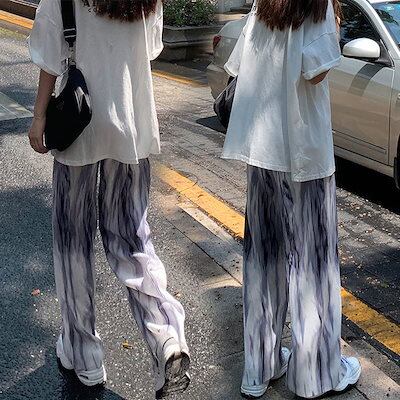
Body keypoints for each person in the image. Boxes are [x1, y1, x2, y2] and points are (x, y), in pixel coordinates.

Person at [28, 0, 190, 398]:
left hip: (79, 125)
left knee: (74, 243)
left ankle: (84, 355)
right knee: (132, 238)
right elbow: (150, 49)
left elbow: (50, 58)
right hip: (131, 127)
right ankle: (166, 334)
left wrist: (39, 117)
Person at [222, 0, 361, 398]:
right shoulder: (317, 6)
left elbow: (239, 66)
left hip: (262, 151)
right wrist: (334, 21)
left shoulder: (264, 5)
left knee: (263, 261)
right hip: (304, 156)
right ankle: (315, 375)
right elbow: (316, 72)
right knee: (313, 265)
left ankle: (259, 369)